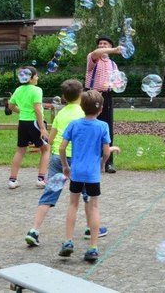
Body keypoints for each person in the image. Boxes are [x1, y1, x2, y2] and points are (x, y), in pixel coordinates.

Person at [24, 80, 108, 247]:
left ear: (64, 96)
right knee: (87, 198)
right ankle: (89, 229)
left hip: (58, 159)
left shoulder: (61, 114)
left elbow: (52, 139)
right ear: (81, 94)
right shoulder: (84, 113)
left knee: (50, 194)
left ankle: (34, 230)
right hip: (78, 160)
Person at [58, 90, 120, 262]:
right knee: (93, 208)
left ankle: (68, 242)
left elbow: (62, 148)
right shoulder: (103, 126)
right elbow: (106, 151)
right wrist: (102, 164)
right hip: (92, 174)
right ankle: (93, 248)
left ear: (81, 106)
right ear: (100, 110)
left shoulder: (74, 124)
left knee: (73, 205)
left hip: (76, 172)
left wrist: (65, 166)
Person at [7, 66, 50, 189]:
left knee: (20, 150)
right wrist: (42, 128)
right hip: (35, 123)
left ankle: (12, 180)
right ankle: (41, 179)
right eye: (36, 75)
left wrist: (21, 112)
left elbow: (10, 106)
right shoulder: (37, 90)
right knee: (46, 149)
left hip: (22, 123)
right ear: (30, 78)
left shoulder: (18, 89)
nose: (37, 77)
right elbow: (37, 109)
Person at [84, 36, 122, 173]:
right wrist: (114, 49)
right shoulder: (92, 57)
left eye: (104, 44)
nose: (101, 45)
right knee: (90, 128)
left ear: (109, 46)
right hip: (92, 95)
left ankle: (108, 163)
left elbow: (117, 82)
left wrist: (119, 83)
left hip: (107, 96)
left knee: (107, 129)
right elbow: (95, 53)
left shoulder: (113, 64)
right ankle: (90, 161)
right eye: (100, 44)